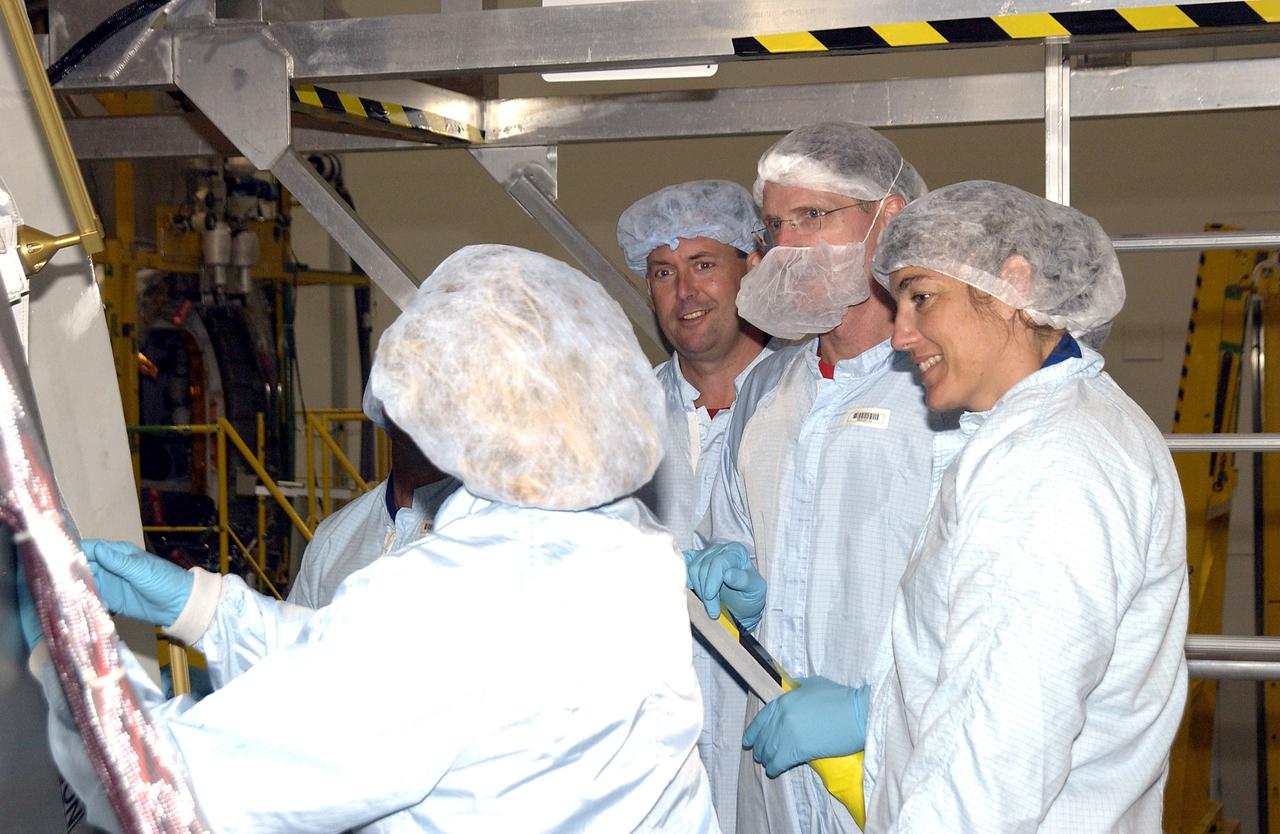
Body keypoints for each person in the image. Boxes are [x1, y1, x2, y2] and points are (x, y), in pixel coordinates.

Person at [26, 244, 720, 833]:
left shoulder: (457, 592)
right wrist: (205, 607)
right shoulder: (625, 549)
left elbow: (169, 793)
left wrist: (68, 653)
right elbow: (382, 671)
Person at [862, 180, 1189, 831]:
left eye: (921, 297)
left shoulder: (1053, 463)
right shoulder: (1048, 428)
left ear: (1011, 284)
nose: (900, 334)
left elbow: (1002, 750)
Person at [685, 122, 952, 834]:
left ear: (890, 222)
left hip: (909, 771)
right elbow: (731, 534)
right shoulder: (767, 388)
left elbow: (988, 614)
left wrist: (876, 712)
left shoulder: (947, 394)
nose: (791, 245)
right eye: (777, 225)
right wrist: (734, 580)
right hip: (778, 776)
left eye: (813, 217)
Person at [616, 179, 772, 831]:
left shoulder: (809, 409)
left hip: (777, 744)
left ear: (753, 269)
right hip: (652, 762)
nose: (685, 292)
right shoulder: (619, 423)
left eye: (704, 264)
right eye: (663, 272)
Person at [288, 384, 459, 608]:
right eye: (401, 373)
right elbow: (294, 639)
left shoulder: (493, 533)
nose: (415, 393)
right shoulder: (332, 541)